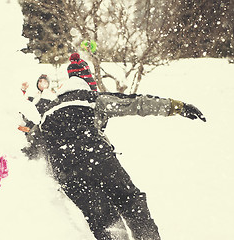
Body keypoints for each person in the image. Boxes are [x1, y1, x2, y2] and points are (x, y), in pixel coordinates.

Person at [21, 77, 206, 239]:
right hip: (98, 158)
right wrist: (177, 107)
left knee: (103, 219)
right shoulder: (92, 99)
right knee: (130, 200)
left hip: (67, 173)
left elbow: (32, 143)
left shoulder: (46, 115)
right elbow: (137, 103)